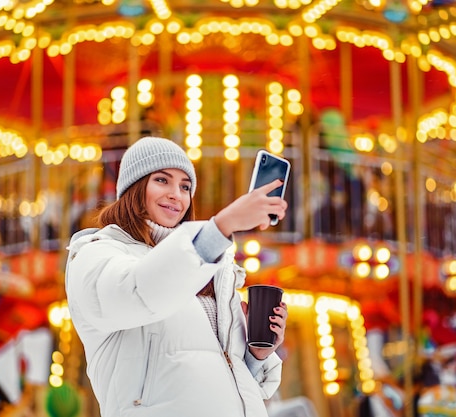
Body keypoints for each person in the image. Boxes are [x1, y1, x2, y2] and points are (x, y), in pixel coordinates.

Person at [65, 136, 289, 417]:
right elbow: (139, 292)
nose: (177, 194)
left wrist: (256, 355)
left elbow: (221, 378)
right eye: (162, 180)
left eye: (185, 187)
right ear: (134, 187)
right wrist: (221, 227)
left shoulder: (212, 271)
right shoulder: (95, 254)